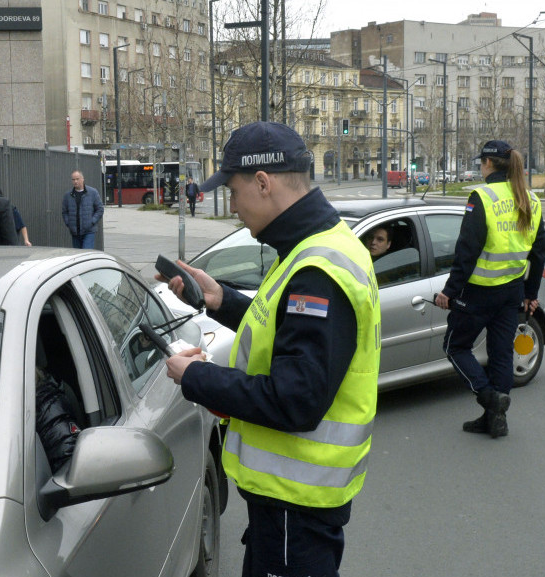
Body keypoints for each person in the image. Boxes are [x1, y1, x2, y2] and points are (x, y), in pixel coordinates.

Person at [159, 121, 381, 577]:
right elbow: (285, 331)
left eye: (234, 192)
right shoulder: (313, 245)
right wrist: (222, 301)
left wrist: (195, 378)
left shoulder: (317, 269)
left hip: (295, 506)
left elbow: (295, 399)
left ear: (263, 183)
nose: (234, 207)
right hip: (289, 506)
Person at [436, 140, 545, 439]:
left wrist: (450, 291)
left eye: (480, 163)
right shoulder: (531, 199)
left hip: (478, 293)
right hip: (511, 293)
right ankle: (495, 420)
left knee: (455, 347)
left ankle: (488, 397)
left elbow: (467, 250)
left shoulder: (482, 196)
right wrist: (530, 294)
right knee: (500, 356)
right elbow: (539, 252)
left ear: (487, 164)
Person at [62, 170, 104, 249]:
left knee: (86, 253)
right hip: (75, 232)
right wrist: (69, 223)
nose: (75, 181)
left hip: (89, 231)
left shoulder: (92, 192)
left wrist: (92, 221)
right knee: (78, 255)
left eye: (77, 179)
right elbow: (64, 212)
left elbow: (100, 209)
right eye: (73, 179)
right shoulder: (68, 195)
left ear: (82, 179)